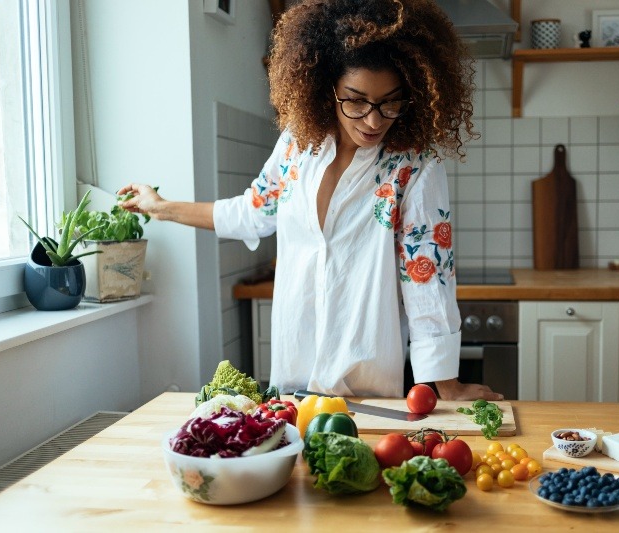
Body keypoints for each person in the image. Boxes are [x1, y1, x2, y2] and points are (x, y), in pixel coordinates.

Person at [118, 0, 503, 401]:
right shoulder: (297, 147)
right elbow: (252, 212)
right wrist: (160, 207)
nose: (374, 120)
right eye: (355, 100)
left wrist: (446, 384)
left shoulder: (415, 165)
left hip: (367, 385)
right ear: (326, 88)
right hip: (292, 379)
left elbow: (426, 274)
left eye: (390, 101)